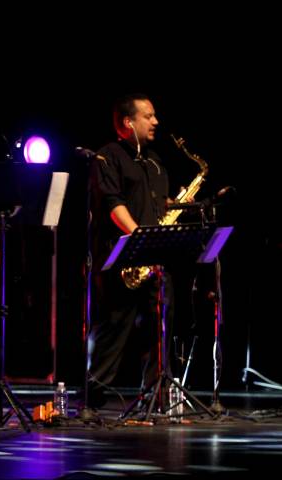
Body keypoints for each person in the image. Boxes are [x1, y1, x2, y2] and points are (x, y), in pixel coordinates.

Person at [86, 93, 175, 409]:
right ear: (128, 122)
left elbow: (159, 207)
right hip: (121, 257)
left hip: (152, 258)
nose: (156, 121)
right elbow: (112, 205)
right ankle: (93, 393)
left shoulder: (154, 161)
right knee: (115, 326)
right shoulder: (107, 156)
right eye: (148, 116)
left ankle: (156, 394)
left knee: (159, 326)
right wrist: (140, 236)